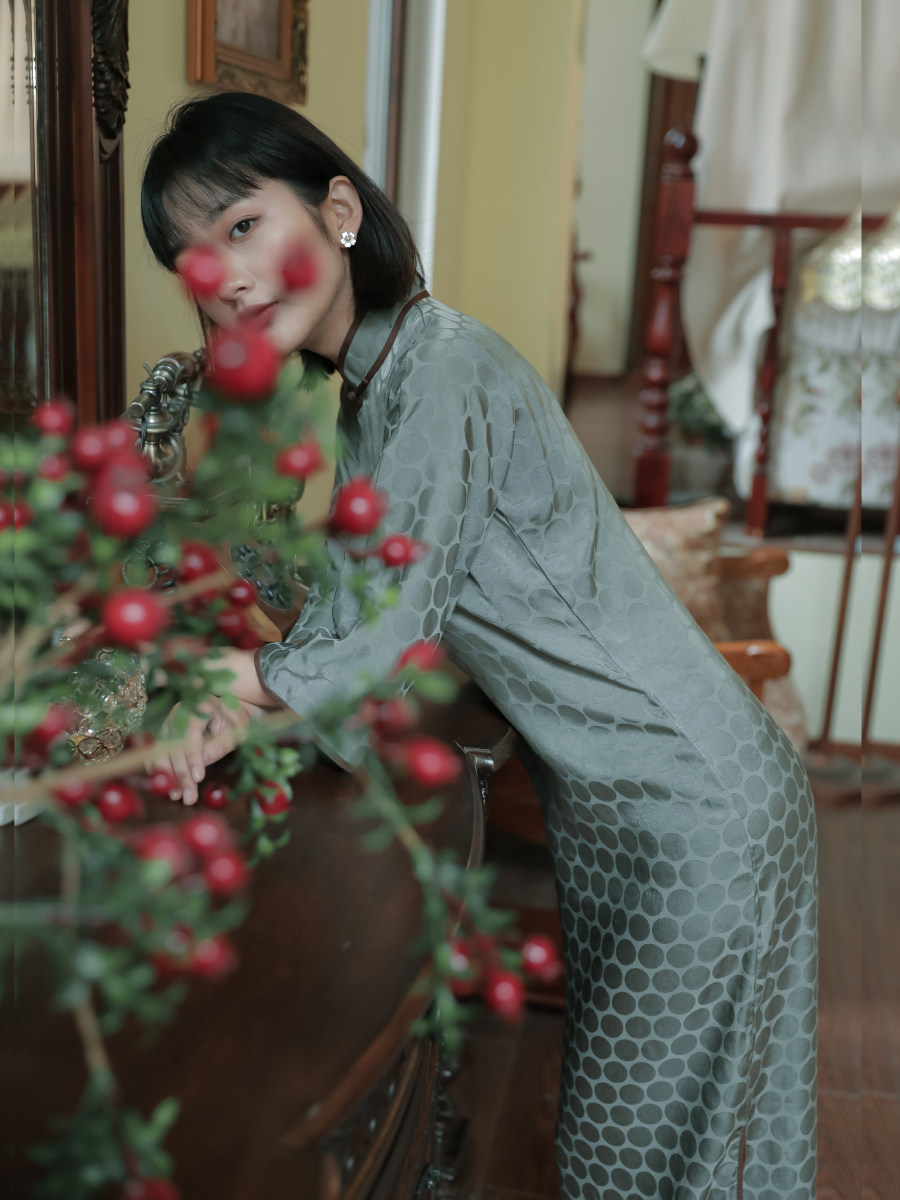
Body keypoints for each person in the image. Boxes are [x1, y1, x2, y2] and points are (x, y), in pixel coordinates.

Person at [141, 92, 818, 1200]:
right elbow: (359, 611)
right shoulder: (377, 393)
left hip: (694, 806)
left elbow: (385, 626)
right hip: (624, 806)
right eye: (194, 258)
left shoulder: (442, 372)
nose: (227, 276)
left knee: (629, 1163)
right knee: (667, 1153)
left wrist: (235, 677)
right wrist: (243, 696)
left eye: (244, 224)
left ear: (340, 212)